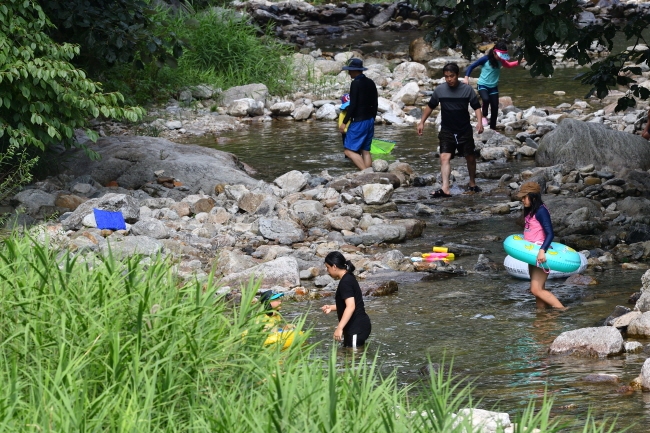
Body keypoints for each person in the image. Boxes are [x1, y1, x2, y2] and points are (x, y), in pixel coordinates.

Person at [417, 62, 484, 198]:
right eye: (446, 76)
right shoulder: (440, 90)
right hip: (447, 129)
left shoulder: (467, 90)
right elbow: (430, 106)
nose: (449, 79)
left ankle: (472, 183)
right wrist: (422, 122)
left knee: (470, 157)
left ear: (457, 75)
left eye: (452, 76)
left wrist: (479, 123)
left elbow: (476, 106)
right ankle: (445, 188)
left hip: (464, 129)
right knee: (444, 157)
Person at [516, 181, 565, 310]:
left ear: (533, 196)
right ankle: (541, 316)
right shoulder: (530, 210)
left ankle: (563, 310)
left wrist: (542, 250)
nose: (522, 200)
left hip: (540, 253)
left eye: (524, 197)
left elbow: (550, 233)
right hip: (532, 253)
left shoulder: (541, 211)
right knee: (539, 289)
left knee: (535, 289)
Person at [463, 41, 519, 130]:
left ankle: (493, 128)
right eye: (499, 56)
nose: (500, 58)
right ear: (494, 52)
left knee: (495, 108)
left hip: (493, 87)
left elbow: (508, 65)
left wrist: (519, 61)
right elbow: (471, 66)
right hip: (482, 85)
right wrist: (466, 78)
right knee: (485, 99)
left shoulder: (501, 61)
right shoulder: (485, 59)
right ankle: (483, 115)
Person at [320, 251, 371, 348]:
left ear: (334, 266)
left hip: (356, 327)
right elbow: (348, 304)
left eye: (328, 267)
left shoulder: (345, 282)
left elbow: (351, 306)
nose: (327, 270)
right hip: (356, 326)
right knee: (346, 355)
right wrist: (331, 307)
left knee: (353, 359)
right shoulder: (348, 277)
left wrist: (339, 328)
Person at [340, 58, 378, 171]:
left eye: (350, 70)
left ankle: (366, 173)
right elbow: (375, 103)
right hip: (370, 120)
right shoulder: (371, 82)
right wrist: (372, 118)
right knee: (365, 150)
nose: (349, 72)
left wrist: (344, 122)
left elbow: (353, 105)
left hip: (359, 121)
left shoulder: (355, 83)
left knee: (348, 150)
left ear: (354, 70)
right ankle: (370, 174)